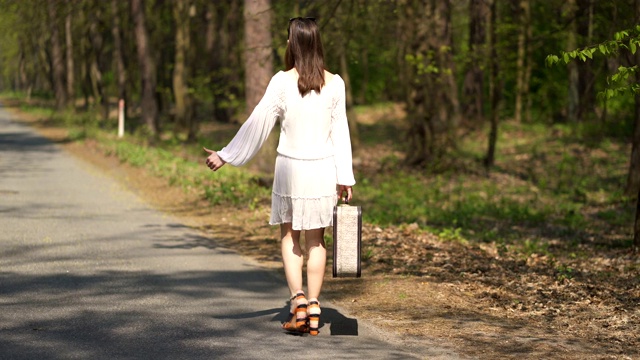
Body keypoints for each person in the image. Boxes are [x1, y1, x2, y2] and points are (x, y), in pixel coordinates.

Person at [203, 17, 355, 336]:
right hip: (323, 169)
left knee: (290, 236)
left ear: (293, 44)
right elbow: (341, 133)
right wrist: (346, 177)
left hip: (290, 169)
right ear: (317, 44)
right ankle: (314, 306)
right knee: (317, 240)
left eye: (288, 39)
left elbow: (258, 124)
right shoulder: (336, 83)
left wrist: (226, 154)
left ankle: (297, 303)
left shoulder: (281, 82)